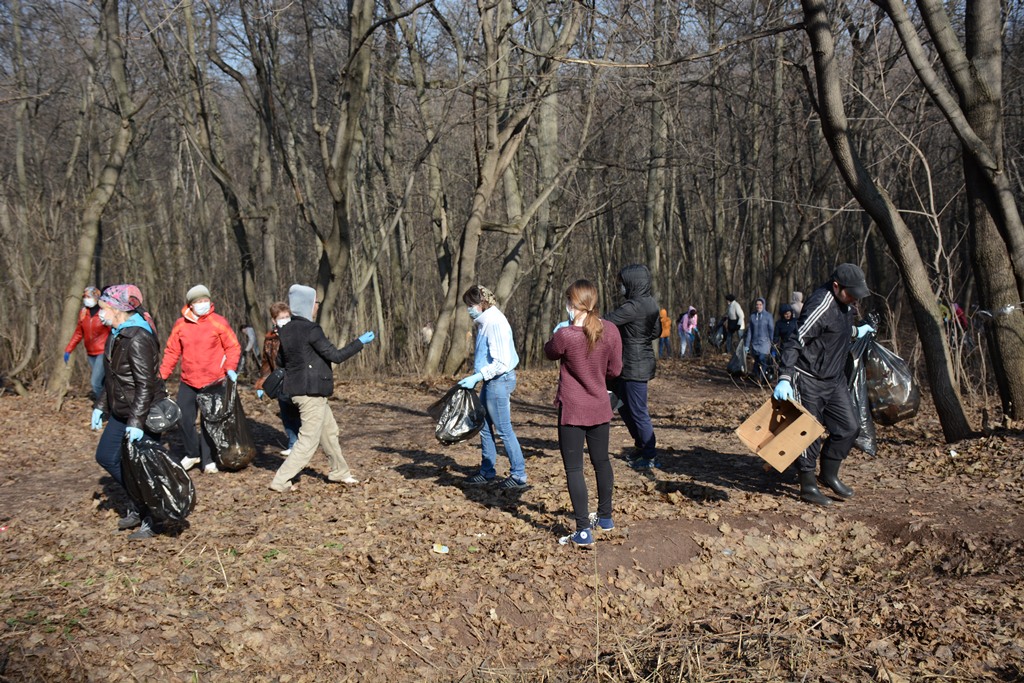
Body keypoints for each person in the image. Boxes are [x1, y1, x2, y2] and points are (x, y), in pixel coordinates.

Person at [774, 263, 874, 507]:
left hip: (834, 379)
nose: (854, 300)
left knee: (849, 427)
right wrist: (785, 377)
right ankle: (807, 486)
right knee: (809, 433)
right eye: (851, 294)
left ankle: (828, 474)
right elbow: (795, 339)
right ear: (837, 286)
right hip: (808, 378)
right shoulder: (820, 304)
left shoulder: (845, 305)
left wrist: (855, 332)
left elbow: (833, 330)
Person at [268, 285, 375, 492]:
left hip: (298, 391)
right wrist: (359, 342)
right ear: (307, 305)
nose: (317, 306)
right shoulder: (311, 329)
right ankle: (281, 481)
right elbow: (335, 356)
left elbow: (281, 360)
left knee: (329, 432)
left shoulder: (286, 329)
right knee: (308, 440)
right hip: (311, 392)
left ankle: (340, 472)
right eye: (315, 303)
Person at [544, 280, 623, 547]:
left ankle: (582, 531)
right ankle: (606, 518)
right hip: (601, 406)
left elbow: (549, 352)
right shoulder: (610, 330)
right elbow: (615, 371)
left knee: (575, 468)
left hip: (573, 410)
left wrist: (559, 332)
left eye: (567, 303)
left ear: (573, 305)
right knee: (602, 462)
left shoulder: (565, 336)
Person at [90, 285, 165, 540]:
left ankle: (155, 519)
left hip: (141, 413)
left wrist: (137, 422)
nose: (100, 314)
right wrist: (101, 406)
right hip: (122, 411)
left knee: (143, 469)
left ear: (117, 309)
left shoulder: (138, 338)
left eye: (103, 309)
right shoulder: (117, 334)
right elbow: (113, 378)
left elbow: (146, 384)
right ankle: (139, 502)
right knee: (107, 457)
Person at [159, 285, 241, 475]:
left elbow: (233, 347)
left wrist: (230, 368)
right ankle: (192, 453)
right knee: (183, 418)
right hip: (189, 380)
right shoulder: (180, 324)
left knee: (209, 422)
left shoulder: (218, 322)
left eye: (205, 301)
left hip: (213, 380)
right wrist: (163, 375)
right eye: (198, 302)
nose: (203, 304)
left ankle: (208, 459)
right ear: (191, 305)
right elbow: (172, 351)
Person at [457, 285, 528, 489]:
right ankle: (487, 471)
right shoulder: (484, 321)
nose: (468, 309)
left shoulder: (494, 322)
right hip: (490, 381)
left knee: (504, 429)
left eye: (470, 305)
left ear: (481, 303)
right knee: (484, 427)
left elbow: (500, 362)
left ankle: (519, 475)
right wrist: (476, 377)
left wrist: (478, 376)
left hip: (499, 380)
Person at [605, 265, 661, 470]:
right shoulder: (650, 304)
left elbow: (604, 323)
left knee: (638, 411)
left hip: (634, 365)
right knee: (621, 404)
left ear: (632, 283)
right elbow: (655, 332)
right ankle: (640, 446)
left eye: (622, 283)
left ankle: (650, 455)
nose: (620, 287)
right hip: (635, 362)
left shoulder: (632, 307)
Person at [255, 302, 301, 454]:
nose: (285, 320)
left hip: (297, 379)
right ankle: (293, 442)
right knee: (286, 414)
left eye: (287, 317)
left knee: (299, 412)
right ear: (274, 320)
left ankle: (303, 443)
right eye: (281, 318)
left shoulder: (298, 332)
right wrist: (261, 383)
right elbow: (266, 362)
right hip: (280, 380)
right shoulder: (270, 339)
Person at [64, 286, 111, 399]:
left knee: (95, 382)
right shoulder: (83, 313)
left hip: (102, 352)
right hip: (90, 353)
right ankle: (109, 403)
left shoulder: (104, 313)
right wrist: (68, 349)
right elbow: (79, 333)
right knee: (103, 382)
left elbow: (113, 331)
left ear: (96, 297)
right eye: (84, 297)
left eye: (88, 296)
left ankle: (101, 408)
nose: (86, 299)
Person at [746, 298, 775, 381]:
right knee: (757, 360)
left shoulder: (768, 316)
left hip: (765, 343)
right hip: (755, 343)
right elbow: (750, 332)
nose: (758, 306)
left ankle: (761, 378)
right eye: (757, 304)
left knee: (762, 359)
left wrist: (772, 344)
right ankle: (757, 377)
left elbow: (771, 330)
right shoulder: (752, 316)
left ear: (763, 305)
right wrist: (747, 345)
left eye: (760, 304)